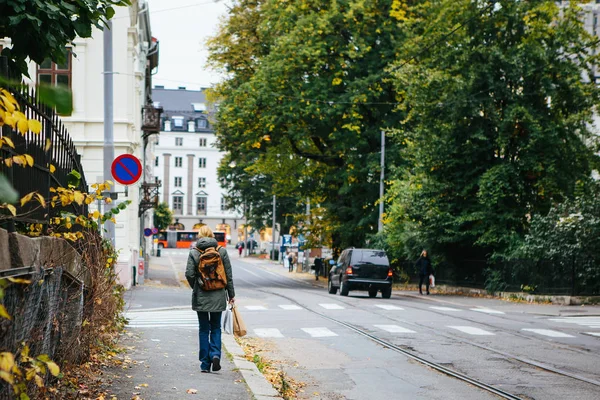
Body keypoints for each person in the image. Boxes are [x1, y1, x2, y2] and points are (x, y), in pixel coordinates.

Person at [185, 226, 235, 373]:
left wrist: (196, 286)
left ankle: (205, 364)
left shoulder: (194, 252)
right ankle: (215, 355)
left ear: (199, 237)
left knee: (203, 329)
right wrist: (231, 295)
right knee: (215, 327)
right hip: (218, 295)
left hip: (201, 296)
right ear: (212, 236)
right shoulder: (221, 251)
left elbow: (189, 273)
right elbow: (228, 275)